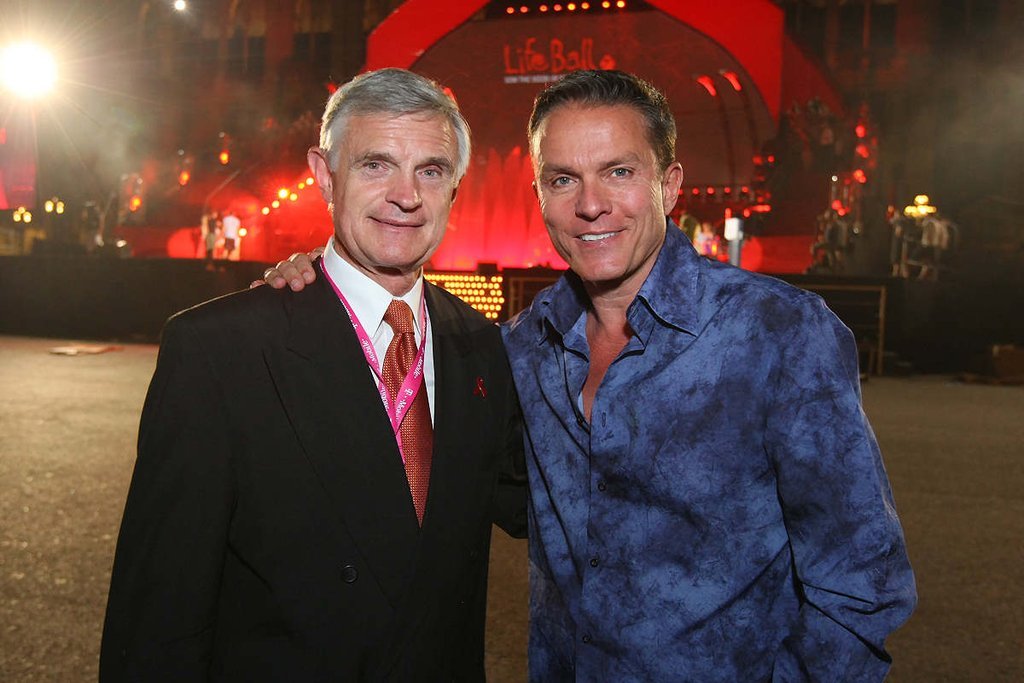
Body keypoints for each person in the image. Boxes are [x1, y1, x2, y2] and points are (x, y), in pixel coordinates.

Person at [263, 70, 916, 681]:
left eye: (619, 172)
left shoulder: (778, 333)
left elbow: (863, 578)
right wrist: (329, 281)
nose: (591, 205)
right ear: (539, 195)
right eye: (562, 179)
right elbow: (462, 484)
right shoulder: (517, 349)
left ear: (669, 184)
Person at [100, 68, 527, 682]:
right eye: (376, 165)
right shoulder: (221, 349)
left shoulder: (482, 348)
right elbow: (159, 613)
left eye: (430, 171)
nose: (406, 195)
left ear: (454, 188)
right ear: (324, 175)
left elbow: (547, 503)